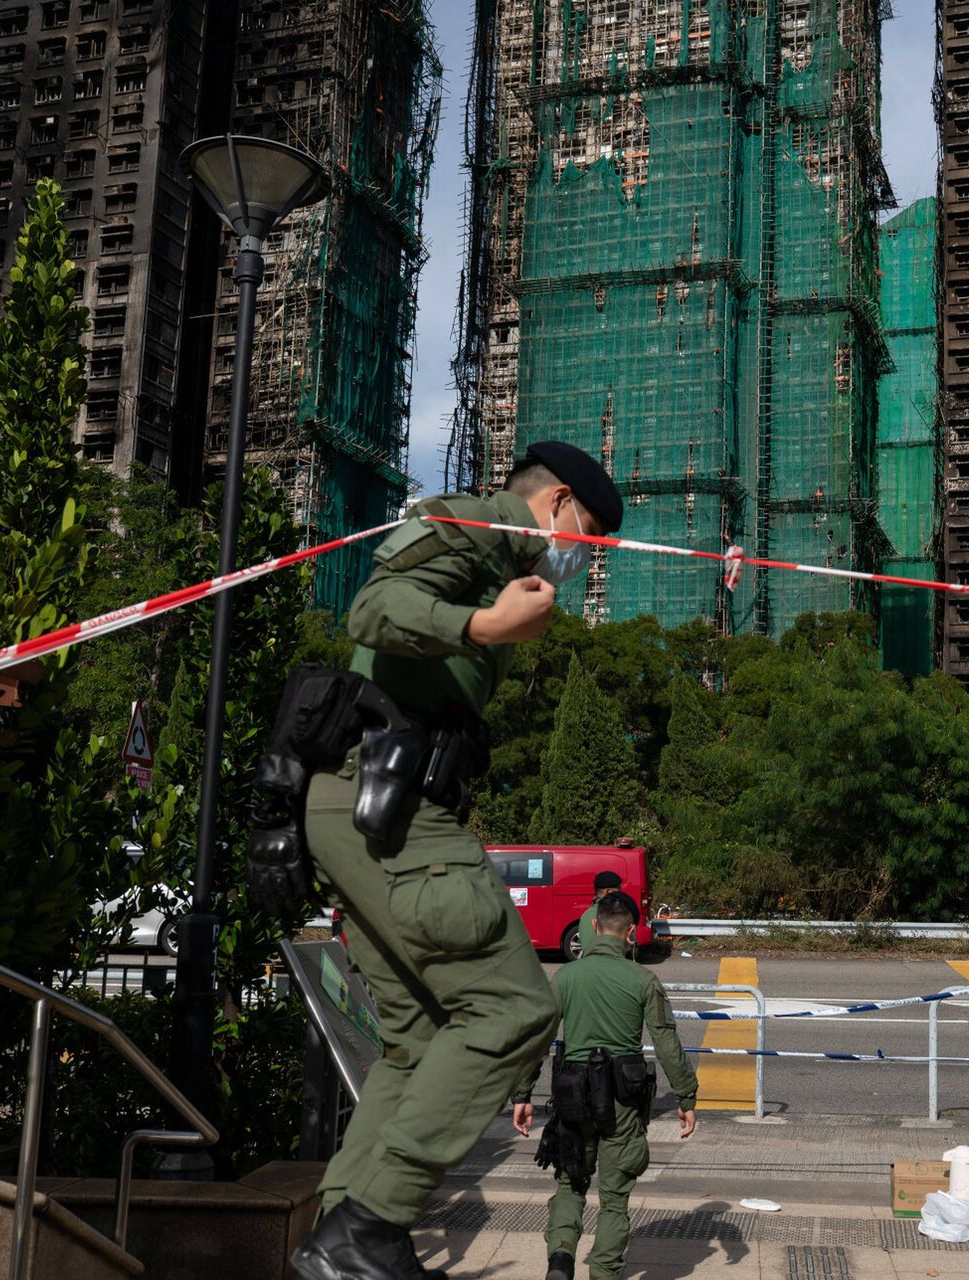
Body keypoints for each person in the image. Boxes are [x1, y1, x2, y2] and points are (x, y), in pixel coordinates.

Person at [290, 442, 624, 1280]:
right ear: (555, 508)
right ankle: (371, 1224)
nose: (585, 561)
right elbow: (373, 607)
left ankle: (345, 1236)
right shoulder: (483, 522)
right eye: (591, 539)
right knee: (511, 1010)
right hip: (391, 811)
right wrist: (480, 626)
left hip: (370, 808)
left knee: (419, 1041)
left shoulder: (504, 555)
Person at [511, 891, 699, 1280]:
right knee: (614, 1200)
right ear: (630, 933)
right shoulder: (643, 980)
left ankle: (561, 1260)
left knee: (569, 1184)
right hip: (623, 1105)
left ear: (594, 927)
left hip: (572, 1100)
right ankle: (604, 1273)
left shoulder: (565, 977)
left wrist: (523, 1095)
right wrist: (685, 1096)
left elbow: (536, 1039)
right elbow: (666, 1042)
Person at [574, 870, 622, 951]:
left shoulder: (586, 915)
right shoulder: (616, 914)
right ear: (608, 891)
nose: (620, 892)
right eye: (618, 889)